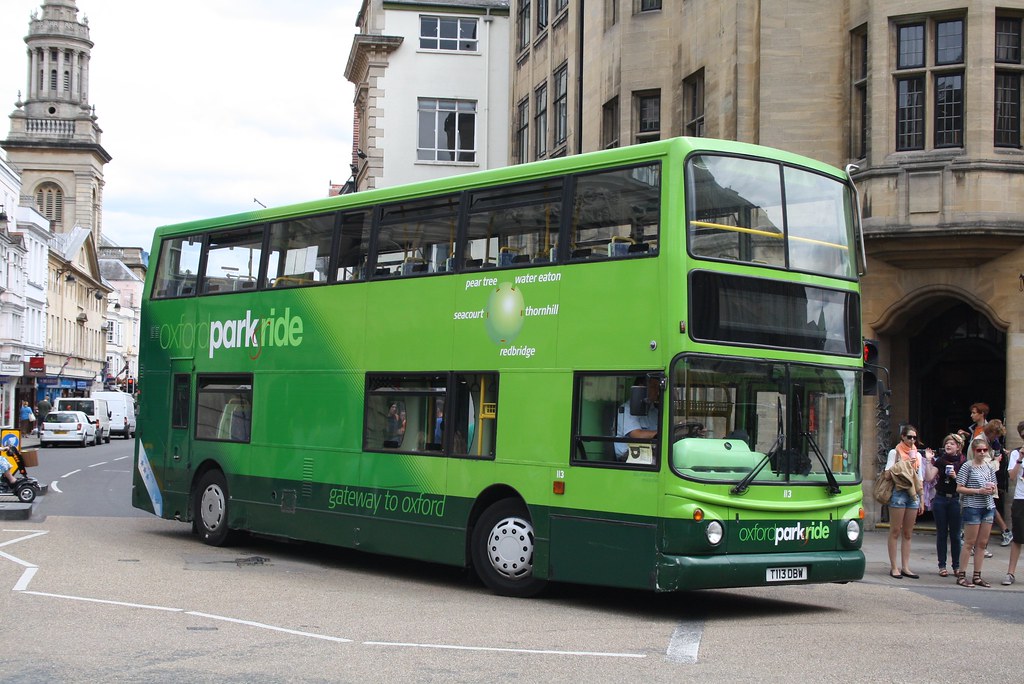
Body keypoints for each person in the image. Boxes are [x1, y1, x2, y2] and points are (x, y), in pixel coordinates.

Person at [884, 424, 928, 579]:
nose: (912, 440)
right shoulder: (894, 452)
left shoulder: (918, 455)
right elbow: (888, 474)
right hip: (899, 492)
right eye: (909, 437)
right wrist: (904, 464)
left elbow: (920, 478)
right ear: (902, 437)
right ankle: (894, 567)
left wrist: (922, 500)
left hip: (913, 494)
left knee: (908, 533)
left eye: (915, 437)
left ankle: (906, 567)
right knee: (895, 530)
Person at [955, 436, 998, 587]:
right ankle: (961, 575)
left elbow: (994, 488)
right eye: (979, 450)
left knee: (982, 543)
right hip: (972, 506)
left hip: (988, 506)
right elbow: (959, 487)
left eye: (985, 450)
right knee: (969, 543)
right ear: (974, 451)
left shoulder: (989, 467)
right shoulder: (967, 466)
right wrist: (979, 490)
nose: (982, 453)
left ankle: (977, 575)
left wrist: (991, 489)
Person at [932, 433, 965, 577]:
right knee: (941, 533)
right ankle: (942, 565)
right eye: (947, 443)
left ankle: (956, 566)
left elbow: (964, 484)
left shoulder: (963, 463)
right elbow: (928, 477)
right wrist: (928, 461)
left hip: (955, 500)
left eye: (951, 443)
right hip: (940, 498)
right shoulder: (940, 461)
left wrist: (954, 476)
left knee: (956, 535)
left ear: (958, 447)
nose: (948, 445)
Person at [615, 377, 659, 461]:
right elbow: (637, 434)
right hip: (629, 456)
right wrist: (661, 434)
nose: (657, 391)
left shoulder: (654, 411)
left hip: (650, 452)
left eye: (658, 387)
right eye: (654, 387)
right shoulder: (626, 409)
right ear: (642, 389)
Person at [983, 419, 1012, 546]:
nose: (996, 438)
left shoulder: (993, 442)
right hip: (983, 479)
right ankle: (1005, 531)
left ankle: (1005, 531)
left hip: (989, 480)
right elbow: (984, 464)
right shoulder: (982, 441)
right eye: (995, 435)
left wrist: (997, 459)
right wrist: (996, 460)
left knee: (990, 507)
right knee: (989, 507)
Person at [1003, 421, 1024, 585]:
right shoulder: (1017, 454)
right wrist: (1020, 459)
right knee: (1017, 537)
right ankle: (1010, 573)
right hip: (1020, 498)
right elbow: (1012, 476)